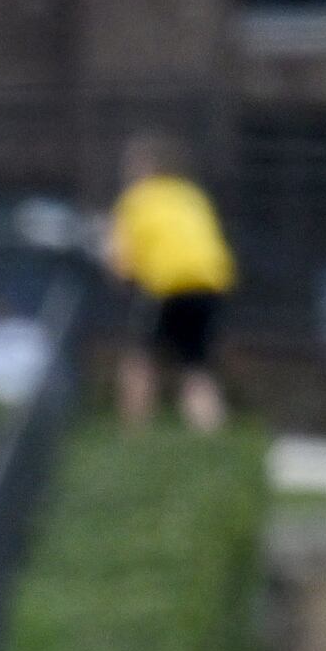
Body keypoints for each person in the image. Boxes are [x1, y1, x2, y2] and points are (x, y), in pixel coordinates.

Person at [105, 136, 234, 433]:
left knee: (139, 357)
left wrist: (121, 278)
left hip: (167, 284)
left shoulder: (137, 199)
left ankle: (133, 432)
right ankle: (209, 433)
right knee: (197, 364)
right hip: (210, 283)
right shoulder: (191, 195)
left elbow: (121, 263)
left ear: (145, 168)